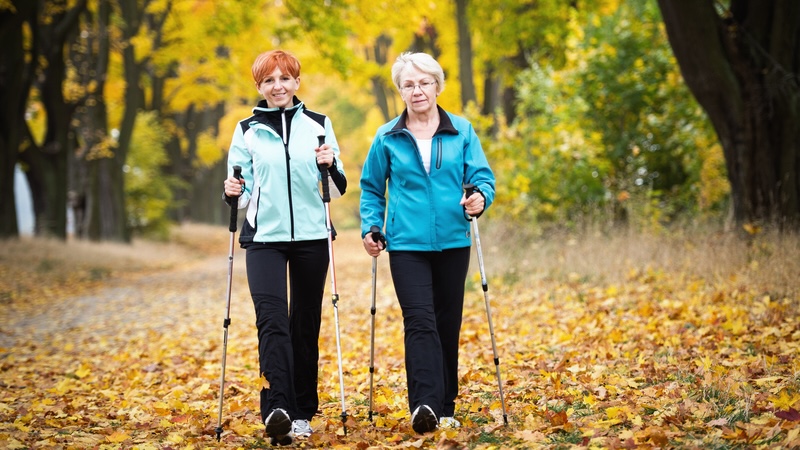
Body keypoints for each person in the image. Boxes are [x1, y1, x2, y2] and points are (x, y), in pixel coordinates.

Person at [359, 52, 495, 434]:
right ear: (400, 91)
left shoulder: (462, 130)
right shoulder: (386, 136)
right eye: (408, 85)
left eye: (423, 83)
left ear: (437, 86)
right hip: (405, 244)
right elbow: (371, 189)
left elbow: (483, 178)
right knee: (419, 320)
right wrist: (371, 227)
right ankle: (425, 404)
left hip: (454, 240)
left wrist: (480, 198)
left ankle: (446, 404)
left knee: (446, 322)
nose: (416, 91)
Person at [222, 49, 346, 444]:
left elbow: (338, 188)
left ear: (297, 82)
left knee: (304, 323)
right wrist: (232, 191)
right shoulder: (246, 130)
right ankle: (277, 406)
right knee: (271, 320)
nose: (278, 86)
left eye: (285, 78)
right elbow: (239, 195)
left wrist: (330, 164)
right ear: (259, 86)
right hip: (265, 239)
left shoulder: (319, 125)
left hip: (312, 235)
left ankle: (303, 412)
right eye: (269, 80)